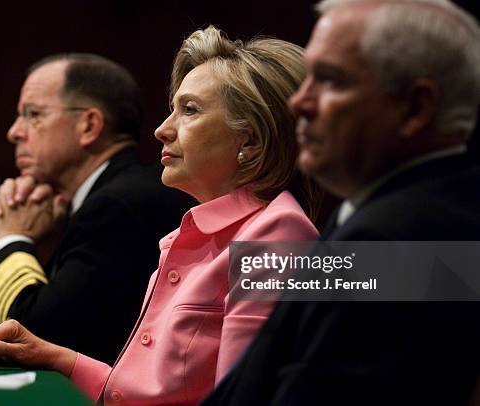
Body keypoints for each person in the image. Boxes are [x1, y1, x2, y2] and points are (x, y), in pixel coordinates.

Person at [0, 26, 320, 405]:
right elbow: (148, 391)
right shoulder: (186, 234)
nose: (163, 130)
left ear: (250, 141)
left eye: (190, 110)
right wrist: (57, 359)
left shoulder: (277, 232)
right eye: (172, 110)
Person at [202, 0, 480, 405]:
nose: (299, 102)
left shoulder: (396, 242)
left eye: (331, 81)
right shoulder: (393, 214)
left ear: (416, 108)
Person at [0, 53, 194, 364]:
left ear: (89, 125)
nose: (15, 132)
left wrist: (12, 239)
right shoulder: (110, 196)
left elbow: (39, 336)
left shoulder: (117, 206)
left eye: (33, 114)